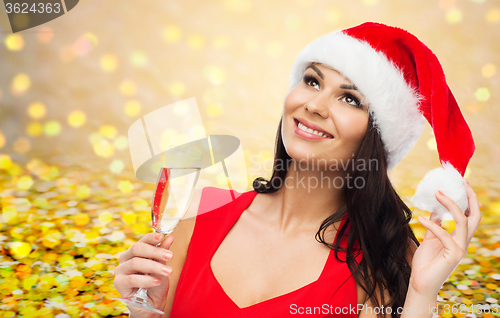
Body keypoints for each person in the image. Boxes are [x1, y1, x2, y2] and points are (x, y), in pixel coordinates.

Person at [114, 22, 481, 318]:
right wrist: (141, 308)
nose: (315, 105)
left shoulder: (382, 257)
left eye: (350, 98)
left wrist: (420, 295)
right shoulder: (195, 217)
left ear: (378, 136)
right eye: (312, 80)